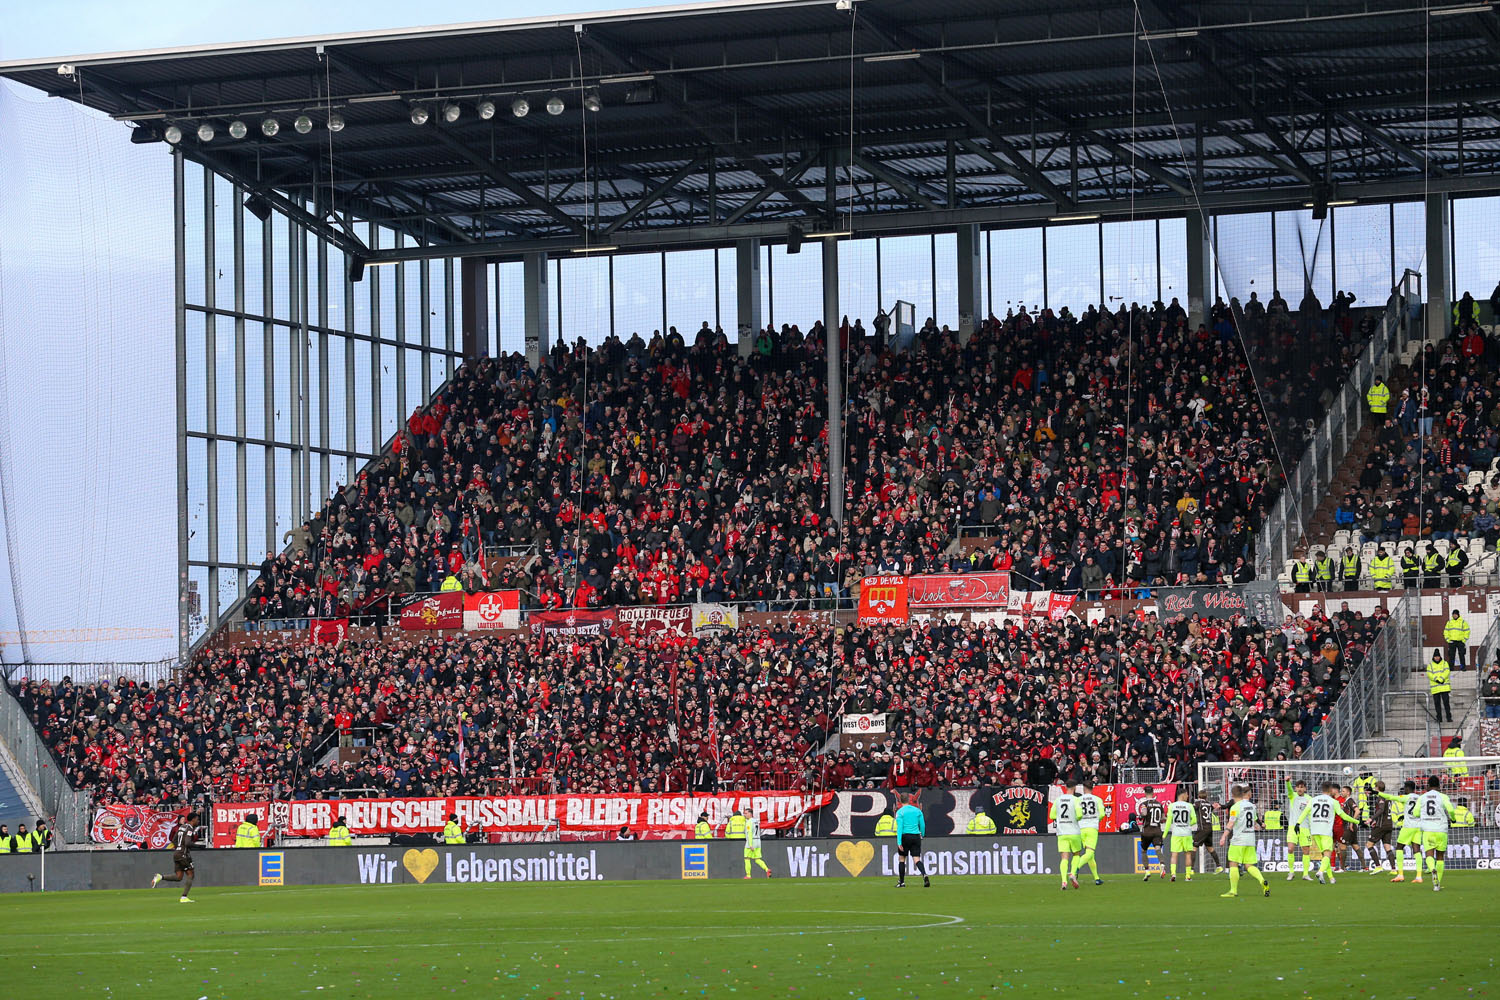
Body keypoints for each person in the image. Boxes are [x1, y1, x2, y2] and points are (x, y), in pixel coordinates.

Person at [1293, 781, 1356, 884]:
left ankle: (1331, 878)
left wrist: (1298, 823)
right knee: (1328, 853)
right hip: (1326, 830)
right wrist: (1356, 821)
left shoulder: (1313, 800)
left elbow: (1304, 812)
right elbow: (1343, 815)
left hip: (1314, 830)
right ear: (1331, 790)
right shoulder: (1333, 801)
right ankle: (1320, 871)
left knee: (1324, 855)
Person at [1219, 784, 1269, 899]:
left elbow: (1231, 824)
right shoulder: (1252, 806)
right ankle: (1262, 880)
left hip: (1238, 840)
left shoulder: (1235, 807)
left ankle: (1233, 890)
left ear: (1232, 795)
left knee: (1233, 863)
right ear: (1242, 794)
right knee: (1249, 865)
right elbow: (1256, 820)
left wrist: (1223, 836)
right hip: (1250, 839)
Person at [1416, 776, 1458, 892]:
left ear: (1428, 786)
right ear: (1439, 786)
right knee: (1440, 857)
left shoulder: (1422, 797)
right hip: (1441, 829)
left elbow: (1415, 812)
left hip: (1428, 830)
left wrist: (1423, 815)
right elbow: (1450, 810)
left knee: (1429, 855)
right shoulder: (1443, 796)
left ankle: (1432, 869)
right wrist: (1453, 819)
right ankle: (1437, 884)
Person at [1380, 780, 1425, 883]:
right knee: (1416, 849)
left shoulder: (1405, 797)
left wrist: (1377, 793)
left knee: (1399, 847)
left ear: (1407, 788)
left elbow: (1391, 797)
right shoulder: (1420, 798)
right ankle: (1419, 876)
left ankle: (1400, 874)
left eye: (1404, 788)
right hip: (1418, 827)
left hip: (1408, 826)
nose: (1404, 789)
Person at [151, 810, 200, 903]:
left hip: (177, 853)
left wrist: (178, 848)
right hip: (183, 854)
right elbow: (188, 843)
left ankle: (160, 877)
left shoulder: (182, 827)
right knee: (190, 874)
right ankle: (184, 897)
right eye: (197, 819)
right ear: (193, 819)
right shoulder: (189, 828)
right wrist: (199, 846)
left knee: (179, 877)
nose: (198, 821)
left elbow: (173, 840)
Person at [1072, 784, 1105, 886]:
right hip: (1092, 828)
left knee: (1090, 855)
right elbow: (1103, 814)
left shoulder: (1078, 799)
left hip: (1081, 828)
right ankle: (1075, 870)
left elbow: (1076, 814)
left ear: (1083, 788)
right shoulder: (1097, 799)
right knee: (1090, 853)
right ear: (1092, 788)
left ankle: (1097, 878)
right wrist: (1095, 820)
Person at [894, 795, 929, 888]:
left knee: (902, 859)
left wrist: (899, 842)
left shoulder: (900, 812)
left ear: (900, 800)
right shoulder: (917, 811)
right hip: (916, 836)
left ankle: (901, 882)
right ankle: (924, 874)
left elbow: (900, 827)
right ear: (909, 800)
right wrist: (922, 834)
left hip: (905, 836)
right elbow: (922, 824)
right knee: (916, 859)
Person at [1051, 786, 1082, 890]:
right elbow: (1080, 815)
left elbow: (1052, 815)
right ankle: (1072, 874)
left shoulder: (1058, 800)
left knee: (1064, 857)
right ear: (1074, 788)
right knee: (1076, 854)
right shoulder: (1076, 799)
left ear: (1066, 788)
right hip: (1074, 832)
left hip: (1062, 832)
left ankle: (1064, 882)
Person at [1284, 778, 1313, 882]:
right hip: (1292, 827)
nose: (1300, 789)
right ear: (1295, 788)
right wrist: (1287, 782)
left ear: (1305, 788)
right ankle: (1291, 872)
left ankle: (1305, 874)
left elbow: (1311, 814)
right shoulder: (1293, 796)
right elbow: (1289, 790)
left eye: (1302, 787)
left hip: (1305, 828)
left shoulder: (1309, 799)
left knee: (1306, 851)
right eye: (1298, 787)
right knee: (1290, 849)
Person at [1166, 788, 1197, 883]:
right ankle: (1187, 876)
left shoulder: (1171, 806)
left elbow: (1168, 821)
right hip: (1187, 833)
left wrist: (1164, 834)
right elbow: (1194, 820)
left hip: (1176, 833)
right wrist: (1187, 824)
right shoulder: (1189, 806)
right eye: (1187, 794)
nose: (1188, 796)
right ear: (1183, 795)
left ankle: (1173, 874)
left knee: (1174, 854)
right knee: (1188, 854)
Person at [1364, 781, 1395, 873]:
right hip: (1389, 824)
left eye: (1375, 787)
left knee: (1369, 845)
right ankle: (1393, 869)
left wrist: (1371, 819)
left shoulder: (1381, 797)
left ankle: (1378, 866)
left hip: (1381, 825)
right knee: (1387, 847)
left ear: (1377, 788)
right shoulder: (1388, 798)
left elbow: (1381, 810)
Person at [1136, 789, 1166, 881]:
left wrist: (1141, 816)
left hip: (1147, 831)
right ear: (1153, 793)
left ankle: (1147, 871)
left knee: (1144, 851)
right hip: (1157, 830)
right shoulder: (1159, 804)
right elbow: (1163, 817)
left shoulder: (1145, 804)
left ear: (1145, 793)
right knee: (1157, 849)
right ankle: (1162, 865)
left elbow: (1144, 813)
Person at [1193, 793, 1223, 875]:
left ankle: (1191, 869)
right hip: (1210, 828)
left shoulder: (1198, 803)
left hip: (1203, 828)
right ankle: (1219, 866)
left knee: (1193, 846)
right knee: (1210, 848)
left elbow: (1192, 809)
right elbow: (1212, 808)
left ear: (1198, 796)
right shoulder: (1209, 804)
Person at [741, 811, 772, 879]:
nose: (745, 815)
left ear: (750, 814)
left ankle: (748, 875)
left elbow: (749, 833)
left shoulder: (749, 822)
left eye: (746, 813)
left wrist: (750, 845)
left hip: (752, 841)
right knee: (757, 859)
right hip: (758, 840)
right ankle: (767, 869)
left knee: (747, 858)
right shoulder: (756, 821)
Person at [1428, 649, 1453, 724]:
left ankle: (1449, 717)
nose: (1437, 658)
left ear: (1440, 656)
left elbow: (1447, 671)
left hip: (1444, 687)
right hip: (1436, 688)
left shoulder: (1445, 663)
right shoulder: (1430, 665)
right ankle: (1439, 718)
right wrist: (1437, 679)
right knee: (1437, 704)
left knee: (1446, 703)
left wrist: (1441, 679)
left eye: (1438, 656)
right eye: (1435, 656)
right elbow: (1429, 674)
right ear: (1433, 657)